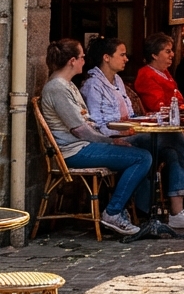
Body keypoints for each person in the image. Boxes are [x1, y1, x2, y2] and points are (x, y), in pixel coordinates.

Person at [82, 37, 184, 229]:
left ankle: (177, 212)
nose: (126, 59)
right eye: (122, 55)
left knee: (173, 151)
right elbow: (98, 125)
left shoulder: (117, 81)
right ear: (106, 57)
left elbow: (130, 114)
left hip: (129, 131)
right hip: (113, 138)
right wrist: (127, 129)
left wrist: (138, 121)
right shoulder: (93, 85)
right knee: (172, 135)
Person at [41, 39, 153, 236]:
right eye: (82, 57)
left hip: (83, 145)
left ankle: (138, 208)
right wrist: (111, 141)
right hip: (74, 151)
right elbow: (79, 130)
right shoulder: (57, 87)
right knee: (141, 157)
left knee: (144, 146)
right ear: (72, 61)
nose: (85, 61)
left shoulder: (67, 84)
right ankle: (113, 212)